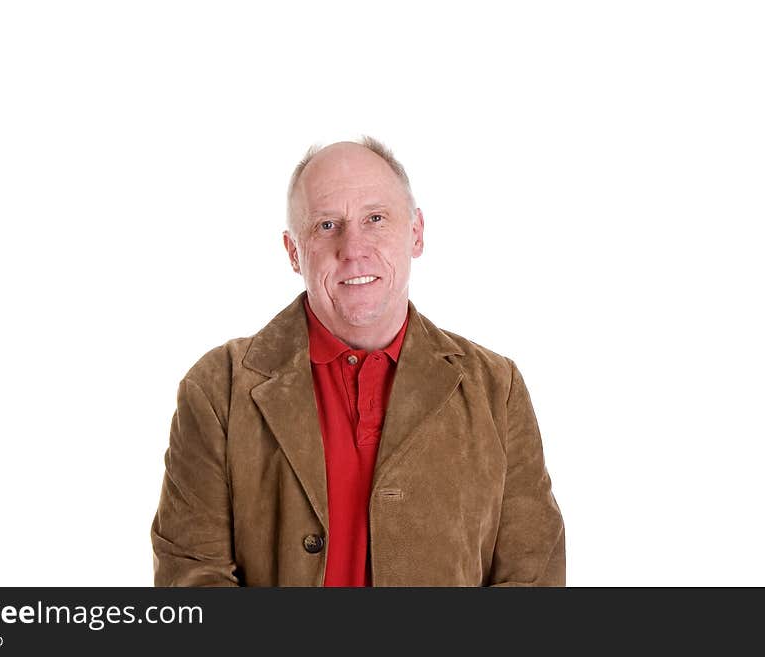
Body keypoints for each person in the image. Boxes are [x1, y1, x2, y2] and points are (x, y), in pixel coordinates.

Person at [150, 137, 565, 586]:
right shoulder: (218, 389)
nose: (353, 248)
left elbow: (533, 576)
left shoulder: (496, 389)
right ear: (293, 251)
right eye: (327, 225)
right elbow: (190, 575)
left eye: (376, 218)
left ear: (417, 232)